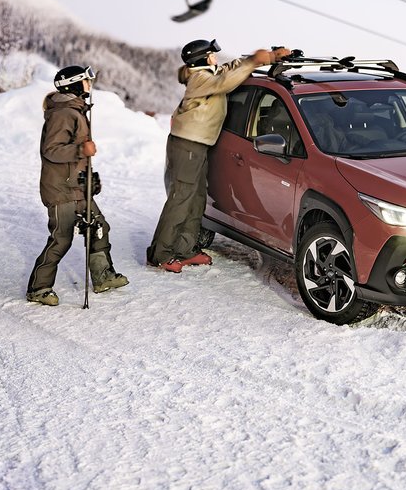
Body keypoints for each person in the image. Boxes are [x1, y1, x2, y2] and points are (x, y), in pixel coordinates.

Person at [147, 39, 292, 272]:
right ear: (203, 58)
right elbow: (224, 82)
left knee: (196, 200)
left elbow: (228, 69)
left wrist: (268, 57)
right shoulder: (200, 79)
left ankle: (186, 249)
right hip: (187, 145)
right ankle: (160, 254)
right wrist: (255, 61)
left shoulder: (208, 72)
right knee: (181, 199)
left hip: (199, 144)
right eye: (212, 54)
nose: (216, 57)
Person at [26, 65, 129, 306]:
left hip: (76, 187)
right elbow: (51, 150)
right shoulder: (63, 113)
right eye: (85, 80)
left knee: (99, 226)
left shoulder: (75, 110)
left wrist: (89, 180)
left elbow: (77, 157)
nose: (90, 84)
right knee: (61, 239)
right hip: (61, 190)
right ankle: (38, 288)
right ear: (73, 84)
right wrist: (81, 149)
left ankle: (103, 276)